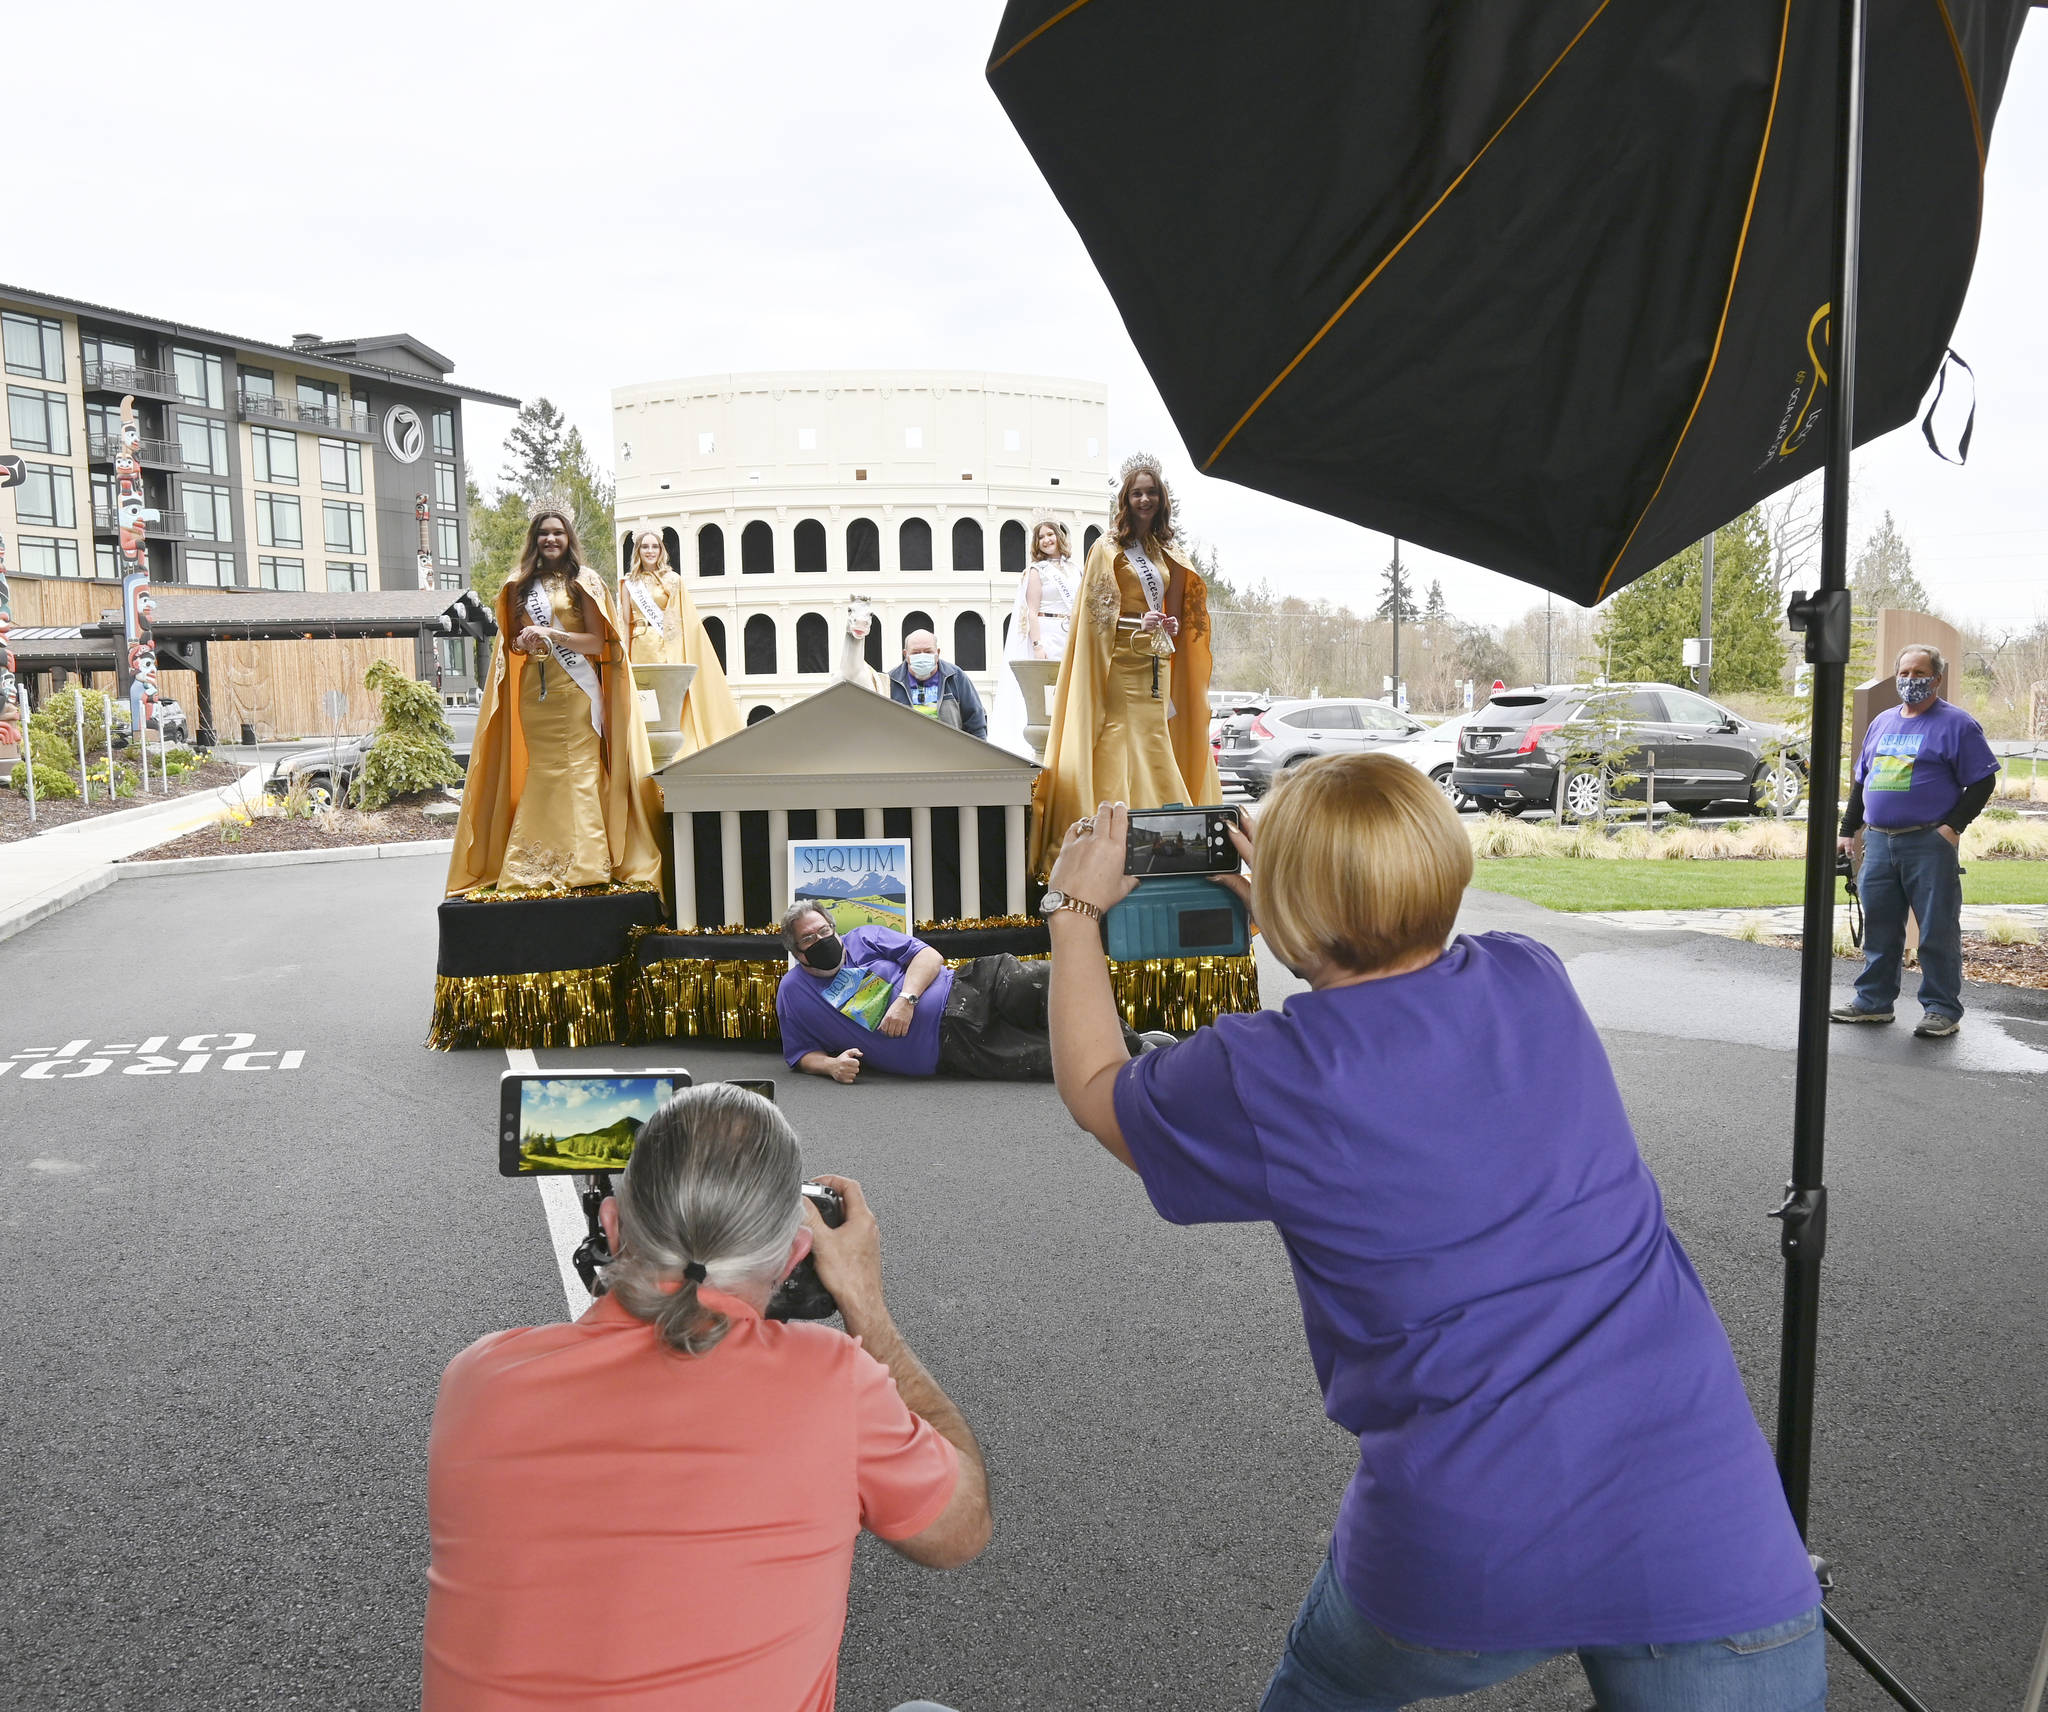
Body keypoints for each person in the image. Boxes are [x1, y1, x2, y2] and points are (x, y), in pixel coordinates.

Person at [1042, 759, 1825, 1712]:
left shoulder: (1270, 1072)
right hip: (1706, 1527)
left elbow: (1096, 1090)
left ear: (1292, 908)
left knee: (1327, 1688)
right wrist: (1313, 917)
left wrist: (1073, 914)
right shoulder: (1530, 977)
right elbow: (1395, 986)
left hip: (1464, 1538)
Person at [423, 1083, 990, 1711]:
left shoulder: (478, 1381)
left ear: (610, 1226)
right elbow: (960, 1531)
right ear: (798, 1253)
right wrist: (867, 1307)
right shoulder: (831, 1380)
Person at [445, 509, 663, 895]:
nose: (550, 540)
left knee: (579, 768)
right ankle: (536, 860)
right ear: (534, 539)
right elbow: (510, 642)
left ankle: (585, 861)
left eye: (557, 533)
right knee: (543, 770)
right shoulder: (518, 584)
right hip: (536, 690)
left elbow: (598, 643)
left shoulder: (585, 581)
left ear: (568, 538)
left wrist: (551, 633)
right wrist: (523, 641)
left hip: (576, 690)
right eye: (543, 533)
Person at [1029, 455, 1220, 877]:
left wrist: (1167, 621)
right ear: (1126, 498)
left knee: (1155, 739)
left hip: (1158, 658)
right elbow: (1097, 613)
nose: (1144, 499)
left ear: (1161, 498)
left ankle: (1167, 832)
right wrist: (1138, 621)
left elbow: (1173, 598)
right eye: (1137, 493)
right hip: (1121, 661)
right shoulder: (1108, 548)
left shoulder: (1167, 549)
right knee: (1118, 737)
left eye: (1151, 492)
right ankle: (1111, 836)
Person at [777, 901, 1155, 1083]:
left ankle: (1139, 1047)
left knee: (1046, 981)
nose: (821, 939)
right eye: (809, 938)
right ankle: (1135, 1057)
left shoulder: (865, 937)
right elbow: (799, 1052)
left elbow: (927, 955)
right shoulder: (794, 993)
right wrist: (831, 1065)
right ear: (796, 951)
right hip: (950, 1047)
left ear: (835, 928)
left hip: (966, 986)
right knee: (1049, 1058)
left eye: (824, 931)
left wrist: (906, 1000)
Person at [1832, 643, 2000, 1038]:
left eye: (1920, 674)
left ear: (1937, 678)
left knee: (1937, 930)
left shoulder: (1957, 724)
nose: (1911, 681)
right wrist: (1846, 830)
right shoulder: (1882, 723)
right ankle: (1873, 1002)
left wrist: (1951, 827)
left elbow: (1983, 781)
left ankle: (1942, 1009)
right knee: (1880, 928)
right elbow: (1862, 782)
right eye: (1904, 674)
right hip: (1878, 842)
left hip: (1928, 843)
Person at [617, 526, 743, 755]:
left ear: (661, 550)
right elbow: (625, 621)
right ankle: (644, 750)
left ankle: (672, 749)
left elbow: (680, 617)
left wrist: (675, 647)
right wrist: (624, 651)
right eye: (645, 546)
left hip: (665, 646)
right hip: (639, 645)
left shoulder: (672, 580)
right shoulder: (628, 583)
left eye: (655, 546)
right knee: (643, 698)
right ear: (637, 551)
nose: (650, 551)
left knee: (666, 698)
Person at [988, 517, 1080, 758]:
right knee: (1048, 690)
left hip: (1071, 632)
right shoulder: (1037, 571)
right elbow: (1031, 610)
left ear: (1060, 537)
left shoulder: (1075, 569)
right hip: (1048, 632)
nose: (1046, 540)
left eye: (1050, 534)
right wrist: (1038, 644)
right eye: (1041, 537)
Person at [888, 630, 986, 738]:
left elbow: (976, 722)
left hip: (949, 751)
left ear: (937, 653)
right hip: (906, 752)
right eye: (915, 653)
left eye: (928, 651)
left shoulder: (955, 676)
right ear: (906, 654)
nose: (922, 656)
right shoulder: (891, 681)